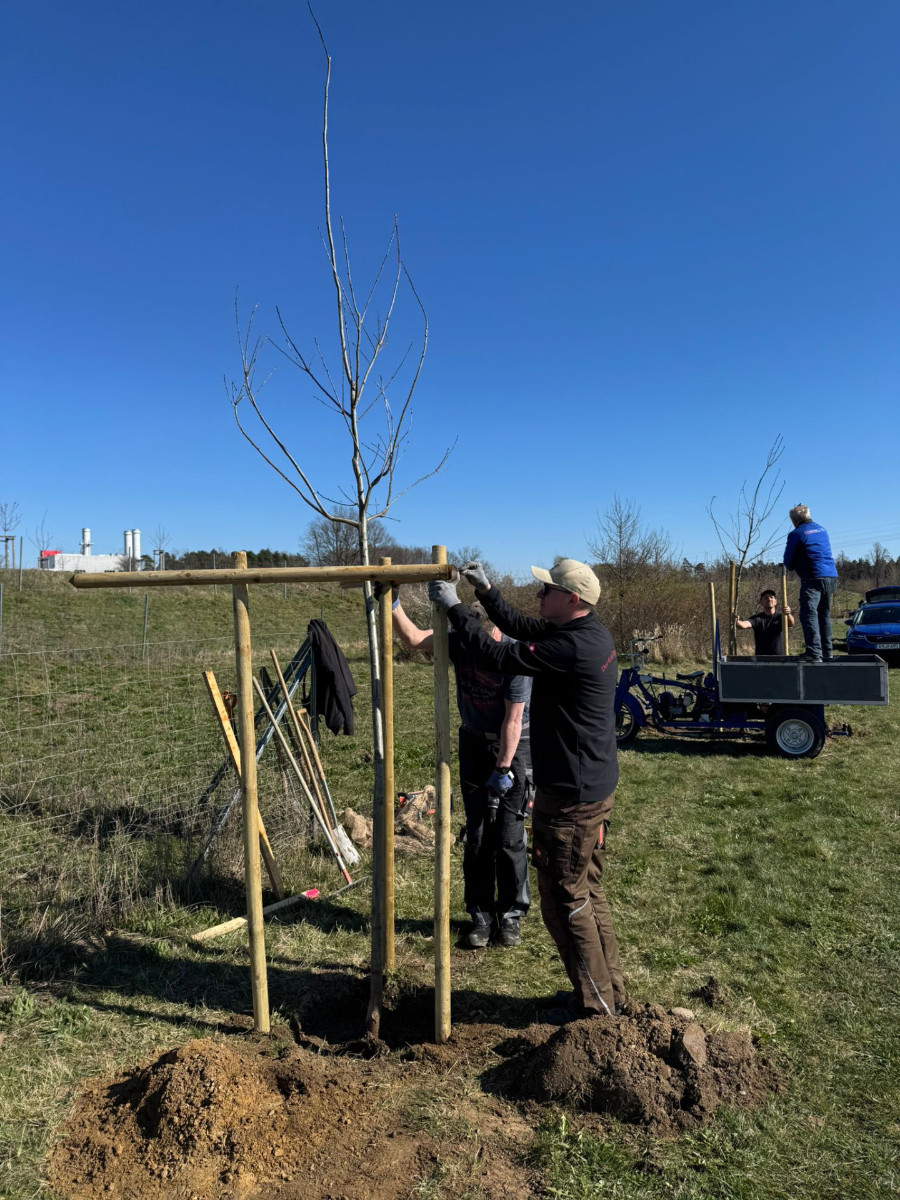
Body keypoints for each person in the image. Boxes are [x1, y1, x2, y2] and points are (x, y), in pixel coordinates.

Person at [429, 558, 624, 1024]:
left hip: (572, 798)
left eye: (546, 590)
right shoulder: (585, 632)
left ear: (572, 598)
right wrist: (485, 591)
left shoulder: (570, 648)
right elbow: (521, 626)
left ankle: (595, 1008)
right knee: (587, 891)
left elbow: (498, 656)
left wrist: (455, 607)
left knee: (565, 897)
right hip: (590, 786)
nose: (539, 595)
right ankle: (606, 993)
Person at [388, 588, 532, 949]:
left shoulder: (513, 655)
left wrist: (503, 769)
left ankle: (511, 915)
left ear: (495, 630)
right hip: (473, 743)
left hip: (512, 745)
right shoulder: (459, 641)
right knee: (478, 833)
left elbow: (514, 720)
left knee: (509, 835)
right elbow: (413, 638)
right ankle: (481, 915)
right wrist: (392, 603)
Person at [783, 504, 838, 662]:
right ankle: (827, 652)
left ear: (794, 521)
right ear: (808, 515)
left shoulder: (796, 533)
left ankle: (814, 653)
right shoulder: (822, 530)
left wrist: (792, 565)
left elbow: (788, 560)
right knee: (824, 614)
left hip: (812, 576)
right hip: (831, 576)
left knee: (808, 614)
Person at [735, 590, 794, 655]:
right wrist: (736, 621)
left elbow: (791, 623)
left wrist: (788, 614)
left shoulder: (781, 617)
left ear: (775, 601)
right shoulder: (757, 619)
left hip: (780, 658)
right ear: (761, 602)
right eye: (766, 598)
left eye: (771, 597)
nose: (769, 599)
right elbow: (743, 625)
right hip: (761, 658)